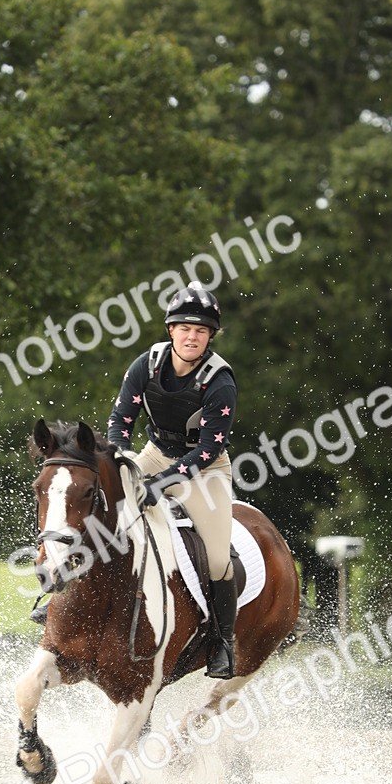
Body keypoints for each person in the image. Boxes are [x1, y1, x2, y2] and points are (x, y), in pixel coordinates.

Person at [109, 281, 238, 678]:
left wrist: (162, 483)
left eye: (201, 331)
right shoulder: (144, 366)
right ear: (171, 330)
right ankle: (60, 595)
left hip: (206, 471)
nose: (192, 336)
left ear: (210, 337)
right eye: (184, 328)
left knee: (217, 558)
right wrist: (120, 458)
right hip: (154, 454)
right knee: (102, 506)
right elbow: (120, 423)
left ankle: (222, 642)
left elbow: (206, 451)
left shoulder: (220, 382)